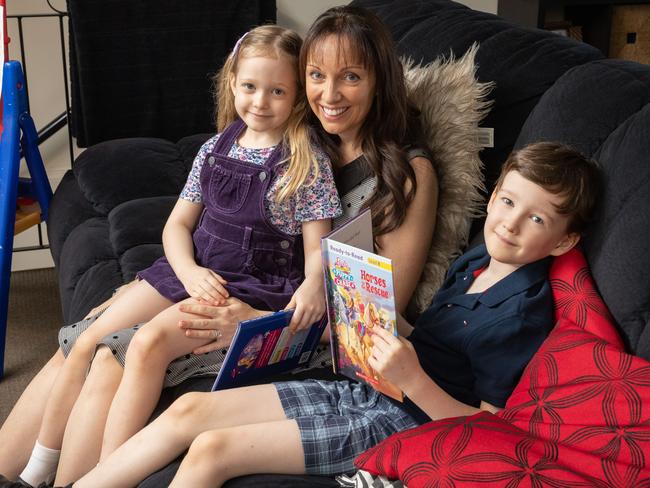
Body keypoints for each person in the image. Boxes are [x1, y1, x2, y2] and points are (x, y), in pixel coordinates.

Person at [0, 5, 438, 486]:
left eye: (351, 77)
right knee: (89, 336)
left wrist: (256, 320)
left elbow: (375, 315)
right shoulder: (307, 130)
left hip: (296, 326)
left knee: (112, 357)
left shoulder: (404, 174)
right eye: (316, 75)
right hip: (225, 282)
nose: (329, 94)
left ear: (381, 81)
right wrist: (168, 277)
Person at [69, 140, 601, 488]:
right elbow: (432, 338)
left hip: (403, 422)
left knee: (212, 451)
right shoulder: (478, 260)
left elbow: (488, 427)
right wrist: (367, 314)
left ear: (565, 241)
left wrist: (411, 376)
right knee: (187, 415)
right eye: (507, 202)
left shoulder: (524, 315)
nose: (510, 224)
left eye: (536, 218)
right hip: (367, 383)